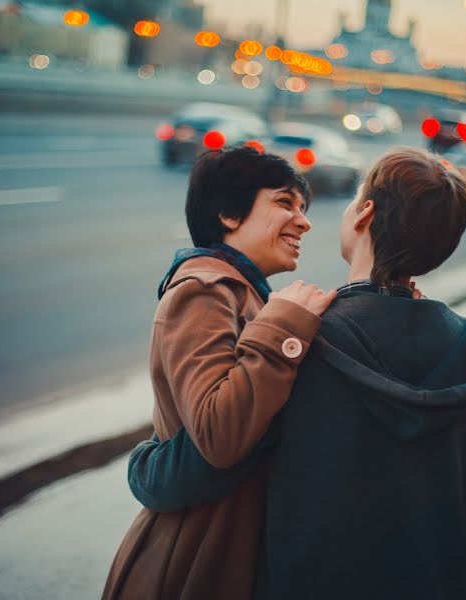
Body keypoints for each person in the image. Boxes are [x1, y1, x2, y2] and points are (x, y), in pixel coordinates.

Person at [128, 146, 466, 599]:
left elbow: (214, 463)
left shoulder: (299, 343)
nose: (306, 220)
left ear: (363, 216)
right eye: (286, 203)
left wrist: (146, 465)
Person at [101, 146, 336, 600]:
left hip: (229, 538)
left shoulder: (246, 293)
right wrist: (286, 327)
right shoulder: (205, 291)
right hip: (200, 553)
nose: (304, 221)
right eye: (285, 203)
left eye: (303, 208)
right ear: (230, 212)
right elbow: (219, 432)